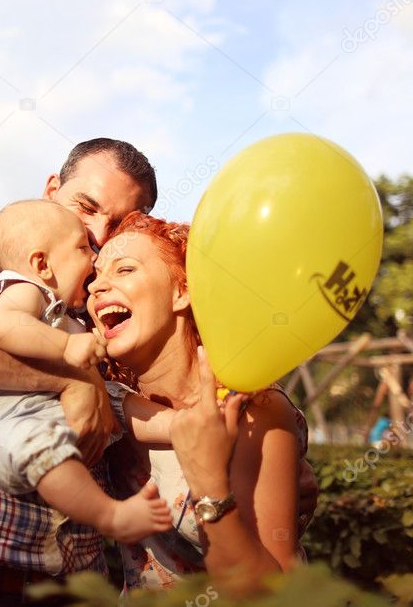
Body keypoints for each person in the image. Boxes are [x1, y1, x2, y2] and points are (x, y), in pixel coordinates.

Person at [0, 138, 318, 605]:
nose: (100, 235)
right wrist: (73, 377)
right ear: (50, 189)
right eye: (86, 207)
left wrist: (266, 464)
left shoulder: (95, 309)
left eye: (119, 224)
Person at [88, 212, 309, 595]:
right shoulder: (105, 403)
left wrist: (210, 484)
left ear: (182, 291)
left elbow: (272, 593)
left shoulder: (253, 410)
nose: (97, 288)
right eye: (94, 277)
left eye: (124, 269)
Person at [0, 198, 174, 543]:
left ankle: (178, 426)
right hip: (13, 428)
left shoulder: (62, 311)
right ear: (42, 264)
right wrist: (67, 347)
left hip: (45, 417)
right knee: (46, 449)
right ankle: (110, 516)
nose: (93, 257)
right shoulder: (24, 290)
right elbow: (2, 326)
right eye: (81, 248)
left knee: (116, 398)